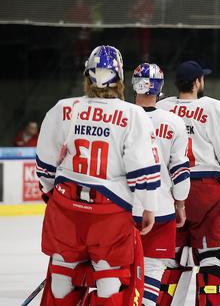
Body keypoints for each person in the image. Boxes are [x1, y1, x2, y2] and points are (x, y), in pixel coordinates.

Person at [36, 45, 159, 304]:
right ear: (120, 79)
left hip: (66, 208)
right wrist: (148, 208)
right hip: (109, 214)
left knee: (61, 281)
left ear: (87, 75)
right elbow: (142, 172)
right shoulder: (132, 114)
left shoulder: (64, 108)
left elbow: (45, 165)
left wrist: (51, 194)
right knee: (110, 282)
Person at [157, 60, 220, 305]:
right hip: (205, 191)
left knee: (172, 259)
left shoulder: (162, 108)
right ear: (199, 81)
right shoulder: (214, 108)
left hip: (168, 193)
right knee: (214, 257)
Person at [131, 63, 191, 306]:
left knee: (119, 269)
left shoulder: (121, 116)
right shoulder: (174, 122)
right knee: (153, 269)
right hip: (162, 207)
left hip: (124, 206)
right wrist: (181, 204)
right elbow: (180, 170)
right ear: (160, 87)